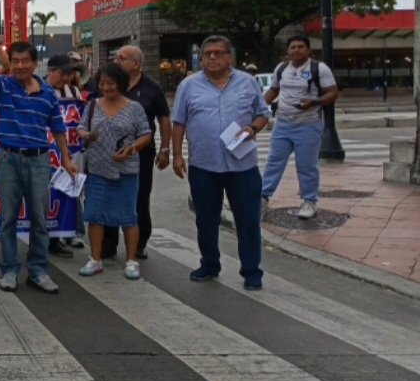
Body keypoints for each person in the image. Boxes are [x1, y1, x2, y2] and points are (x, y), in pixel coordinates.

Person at [0, 39, 78, 294]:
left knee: (40, 218)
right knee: (8, 218)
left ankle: (38, 270)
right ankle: (9, 269)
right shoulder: (3, 86)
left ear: (35, 63)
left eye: (24, 61)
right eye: (14, 61)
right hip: (8, 159)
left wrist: (67, 159)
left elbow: (58, 128)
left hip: (39, 160)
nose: (19, 66)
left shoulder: (49, 93)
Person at [172, 35, 271, 291]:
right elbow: (179, 122)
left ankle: (251, 270)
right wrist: (177, 155)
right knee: (206, 219)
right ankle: (209, 264)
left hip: (243, 166)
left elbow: (263, 114)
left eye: (218, 53)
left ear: (230, 57)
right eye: (207, 53)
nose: (212, 57)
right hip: (204, 165)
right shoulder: (189, 85)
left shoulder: (248, 83)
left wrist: (253, 128)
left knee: (248, 220)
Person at [75, 63, 153, 280]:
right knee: (95, 215)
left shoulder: (134, 108)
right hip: (97, 168)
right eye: (102, 83)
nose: (106, 87)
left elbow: (146, 134)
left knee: (128, 216)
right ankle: (95, 259)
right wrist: (86, 135)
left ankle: (131, 261)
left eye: (111, 83)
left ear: (121, 83)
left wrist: (132, 149)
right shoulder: (92, 105)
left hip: (125, 169)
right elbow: (80, 127)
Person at [101, 45, 172, 260]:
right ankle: (108, 243)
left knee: (139, 197)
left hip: (141, 153)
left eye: (121, 57)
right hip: (109, 153)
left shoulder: (151, 88)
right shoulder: (110, 85)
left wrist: (165, 149)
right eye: (116, 57)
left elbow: (164, 119)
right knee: (110, 196)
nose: (117, 60)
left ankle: (139, 243)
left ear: (136, 64)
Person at [261, 35, 338, 219]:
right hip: (283, 123)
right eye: (293, 47)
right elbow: (274, 90)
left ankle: (309, 201)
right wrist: (259, 105)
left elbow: (332, 93)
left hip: (308, 124)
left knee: (307, 165)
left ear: (309, 50)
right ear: (288, 51)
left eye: (301, 47)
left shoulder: (319, 68)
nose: (296, 50)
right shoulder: (281, 69)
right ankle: (263, 198)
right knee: (273, 162)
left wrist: (314, 101)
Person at [44, 54, 82, 258]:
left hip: (69, 151)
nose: (67, 78)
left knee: (67, 193)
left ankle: (63, 235)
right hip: (46, 151)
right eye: (64, 73)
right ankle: (47, 239)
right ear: (51, 71)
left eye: (70, 74)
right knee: (48, 195)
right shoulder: (38, 89)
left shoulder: (74, 91)